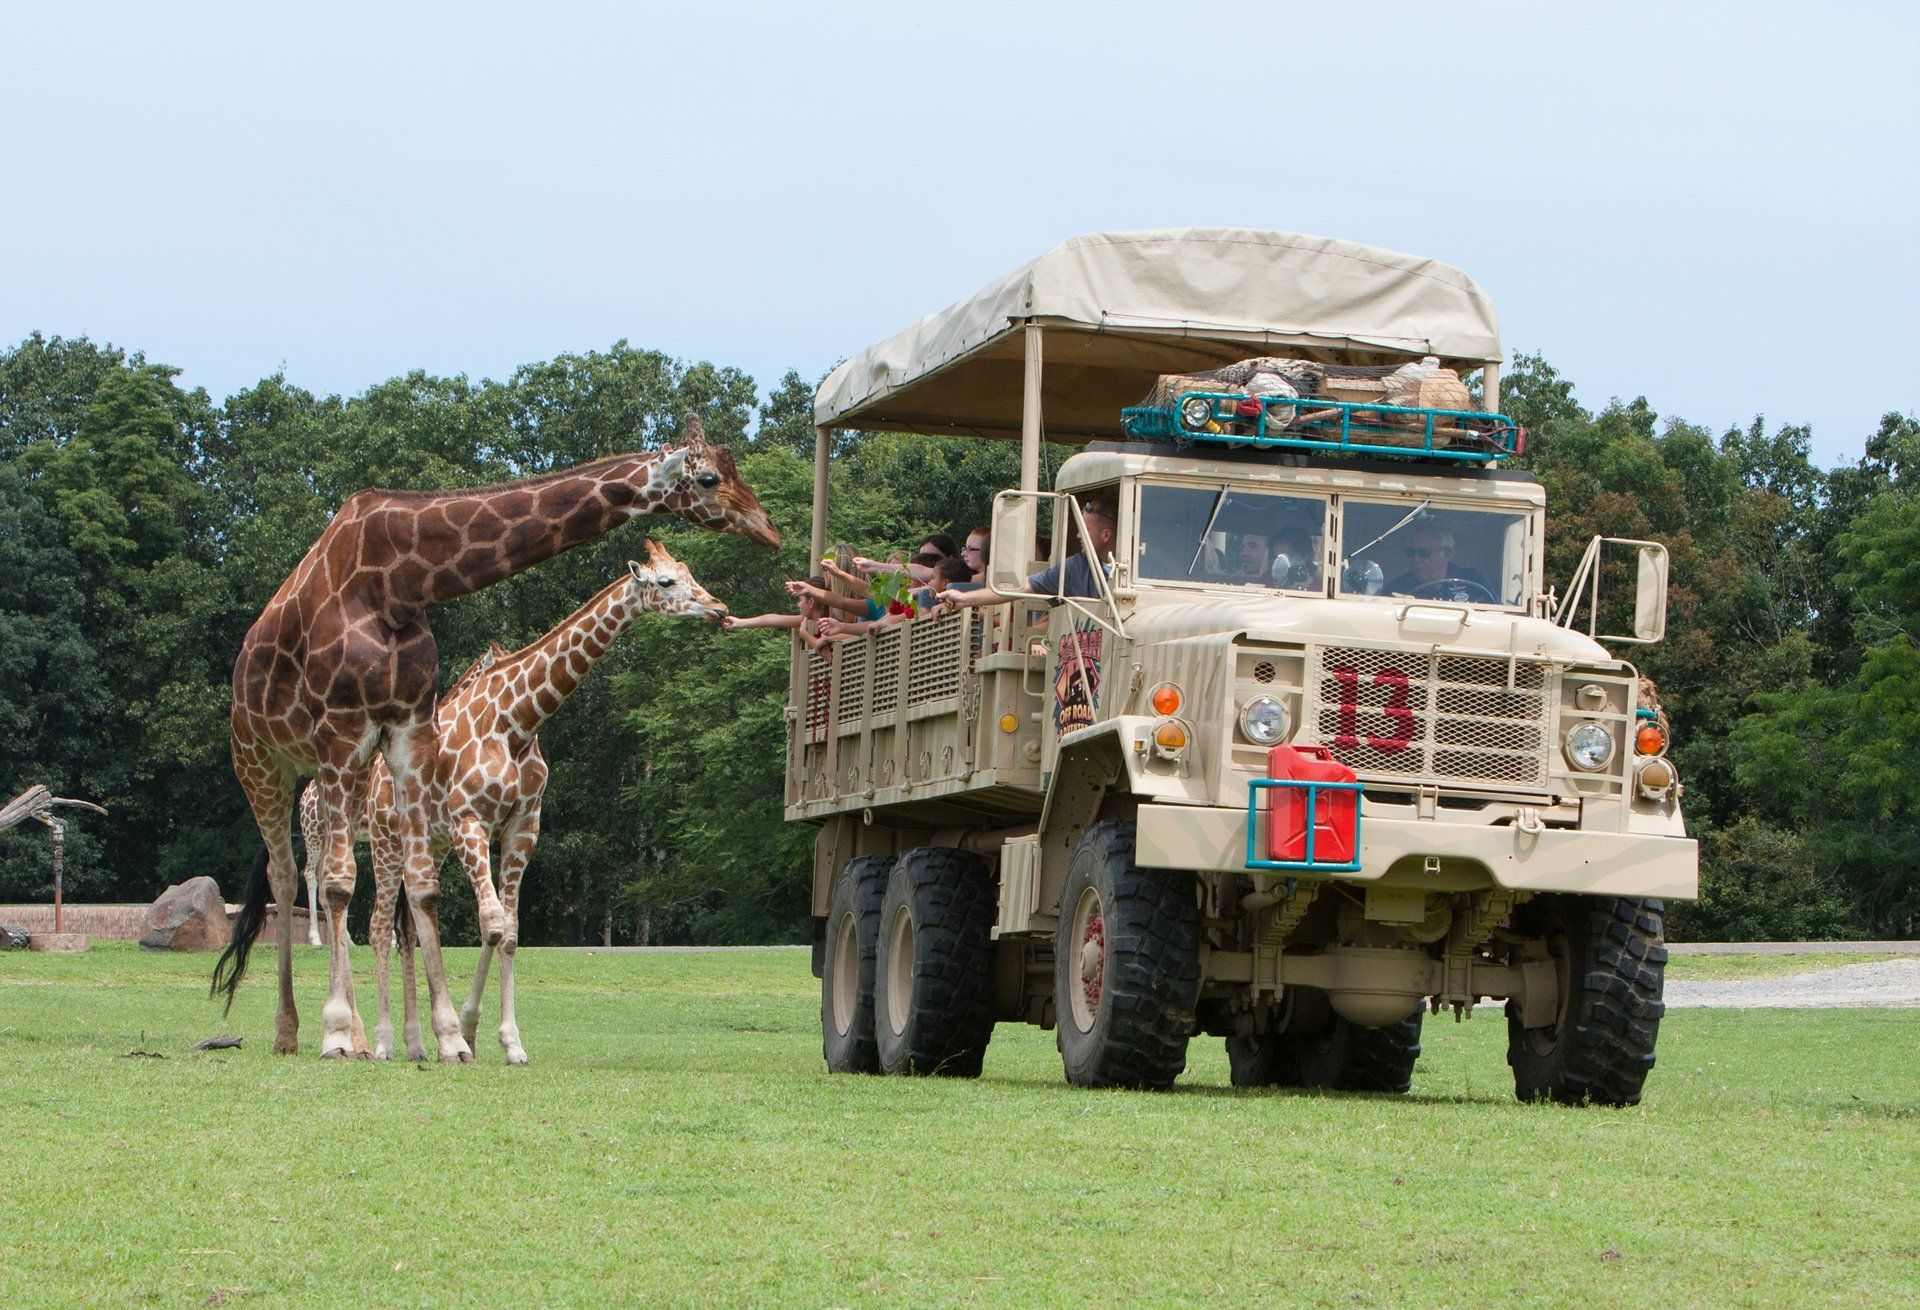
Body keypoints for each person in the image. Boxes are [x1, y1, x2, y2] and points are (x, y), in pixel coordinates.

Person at [939, 491, 1118, 610]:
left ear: (1106, 535)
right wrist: (964, 599)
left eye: (1085, 530)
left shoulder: (1141, 570)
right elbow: (1022, 586)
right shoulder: (1074, 568)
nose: (1078, 535)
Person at [722, 577, 834, 652]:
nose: (798, 605)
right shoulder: (807, 620)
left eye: (800, 600)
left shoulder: (830, 626)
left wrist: (804, 634)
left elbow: (819, 645)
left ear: (811, 603)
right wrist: (740, 622)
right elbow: (772, 619)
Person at [1385, 523, 1489, 597]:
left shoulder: (1473, 581)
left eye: (1423, 553)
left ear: (1448, 553)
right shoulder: (1399, 587)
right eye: (1411, 553)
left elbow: (1498, 614)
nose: (1416, 559)